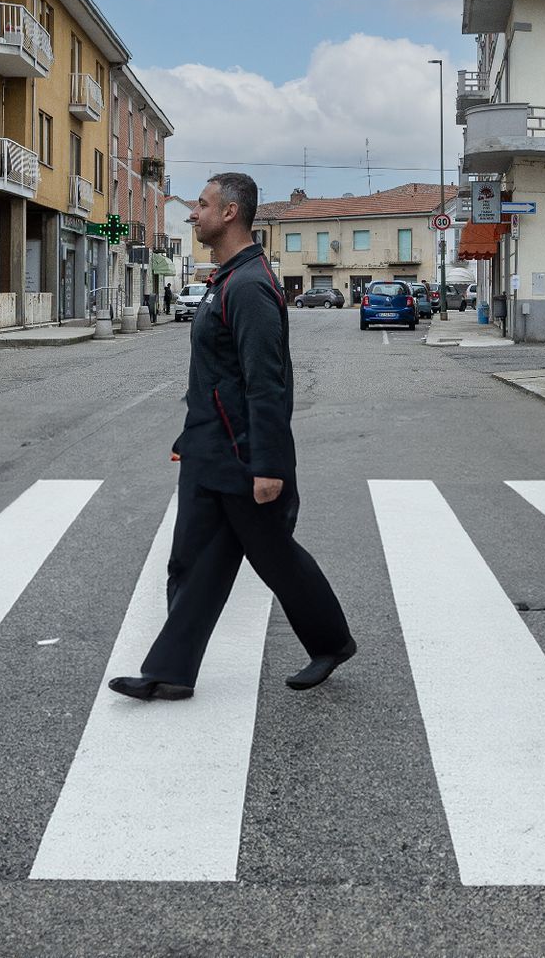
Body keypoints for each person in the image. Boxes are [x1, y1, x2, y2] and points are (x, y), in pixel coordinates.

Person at [109, 173, 356, 701]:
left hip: (244, 459)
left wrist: (268, 467)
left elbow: (265, 384)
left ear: (229, 214)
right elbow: (216, 377)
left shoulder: (250, 288)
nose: (192, 213)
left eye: (201, 204)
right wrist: (190, 436)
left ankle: (332, 642)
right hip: (210, 450)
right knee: (191, 563)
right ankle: (171, 670)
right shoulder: (227, 280)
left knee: (275, 558)